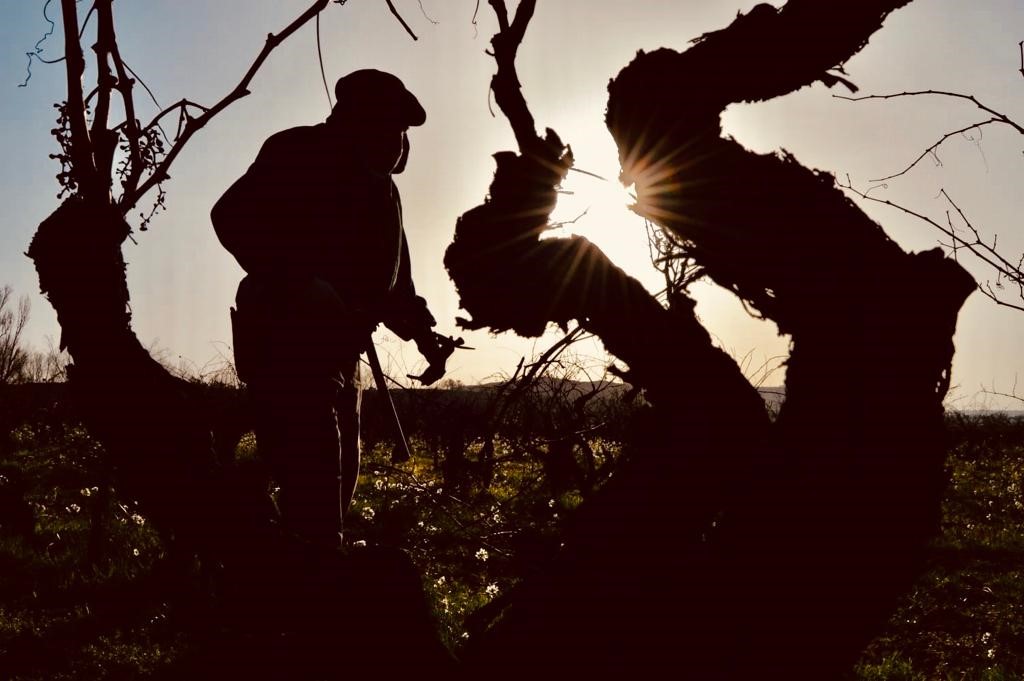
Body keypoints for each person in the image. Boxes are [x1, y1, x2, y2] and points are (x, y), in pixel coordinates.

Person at [211, 69, 449, 548]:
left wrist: (425, 335)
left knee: (341, 469)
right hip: (286, 334)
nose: (401, 140)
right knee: (313, 467)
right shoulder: (297, 151)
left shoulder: (384, 192)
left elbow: (395, 282)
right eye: (393, 125)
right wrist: (302, 282)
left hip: (341, 346)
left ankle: (303, 556)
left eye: (403, 130)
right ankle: (306, 564)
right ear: (359, 119)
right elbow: (231, 216)